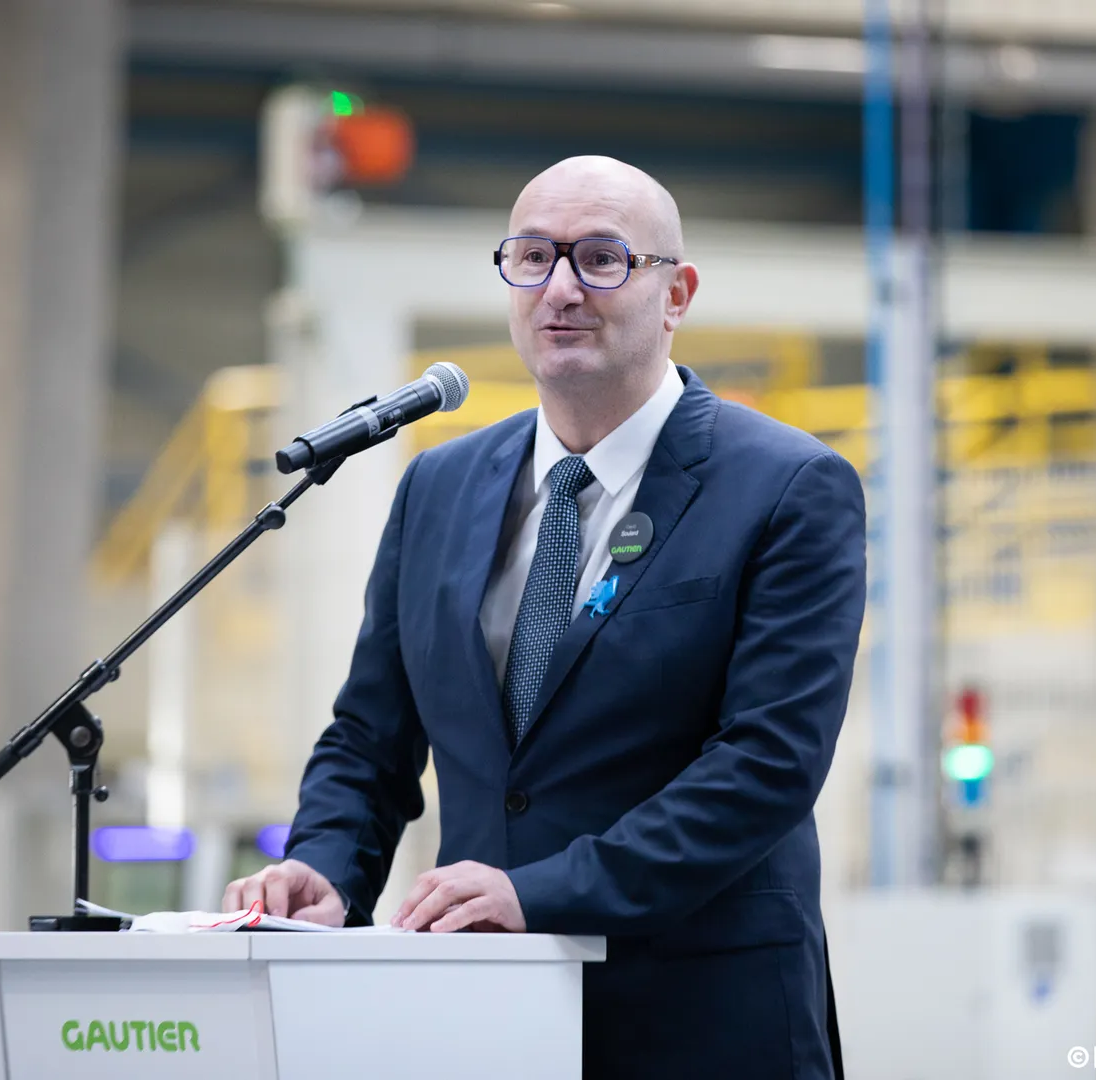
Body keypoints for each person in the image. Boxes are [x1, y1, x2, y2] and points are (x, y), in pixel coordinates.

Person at [223, 155, 866, 1079]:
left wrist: (540, 892)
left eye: (602, 258)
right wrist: (328, 866)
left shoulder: (787, 487)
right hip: (487, 1016)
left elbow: (767, 766)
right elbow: (371, 736)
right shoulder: (437, 488)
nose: (561, 288)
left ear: (675, 293)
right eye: (532, 257)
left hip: (703, 1019)